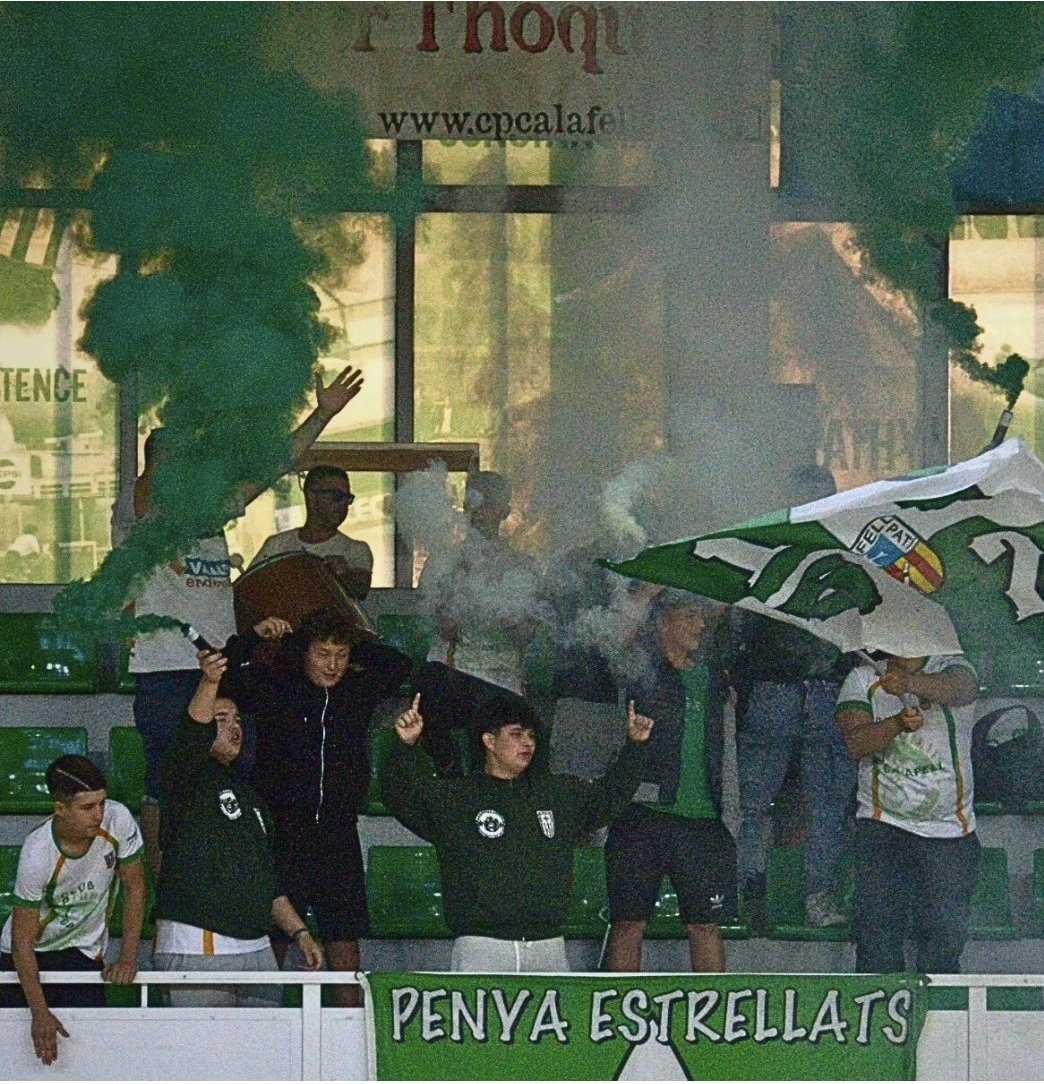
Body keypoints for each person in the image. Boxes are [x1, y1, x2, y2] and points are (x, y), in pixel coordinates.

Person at [126, 365, 364, 876]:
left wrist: (321, 414)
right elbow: (156, 460)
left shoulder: (213, 516)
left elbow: (278, 465)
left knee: (240, 767)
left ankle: (230, 872)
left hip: (226, 666)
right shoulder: (145, 519)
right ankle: (164, 880)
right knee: (166, 780)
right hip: (167, 671)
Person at [382, 692, 652, 973]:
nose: (527, 743)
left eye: (531, 736)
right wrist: (404, 745)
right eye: (516, 734)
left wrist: (635, 747)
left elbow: (609, 799)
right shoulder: (456, 798)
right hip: (480, 947)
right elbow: (400, 796)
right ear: (489, 741)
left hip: (549, 946)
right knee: (479, 1019)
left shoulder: (557, 794)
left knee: (556, 1019)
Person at [223, 607, 411, 1005]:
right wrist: (262, 639)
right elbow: (227, 675)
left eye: (340, 654)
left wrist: (355, 638)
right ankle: (258, 1032)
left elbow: (398, 664)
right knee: (271, 939)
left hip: (338, 835)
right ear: (302, 652)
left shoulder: (356, 691)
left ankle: (348, 1043)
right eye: (322, 652)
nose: (332, 664)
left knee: (344, 943)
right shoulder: (276, 686)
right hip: (282, 834)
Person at [153, 639, 323, 1006]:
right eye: (221, 720)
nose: (234, 727)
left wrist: (300, 933)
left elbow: (267, 879)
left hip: (258, 947)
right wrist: (210, 682)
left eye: (238, 720)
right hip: (201, 944)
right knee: (204, 1058)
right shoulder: (185, 777)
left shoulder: (251, 798)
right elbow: (190, 735)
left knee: (263, 1059)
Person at [732, 462, 854, 930]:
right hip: (788, 688)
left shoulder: (773, 544)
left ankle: (752, 894)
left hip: (807, 689)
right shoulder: (821, 546)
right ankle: (752, 893)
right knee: (767, 802)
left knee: (805, 803)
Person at [603, 591, 737, 974]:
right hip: (642, 814)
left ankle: (713, 1020)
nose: (700, 625)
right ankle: (619, 1017)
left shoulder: (715, 675)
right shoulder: (640, 669)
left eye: (702, 618)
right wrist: (648, 590)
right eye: (690, 617)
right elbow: (614, 642)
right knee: (628, 923)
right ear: (664, 624)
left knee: (706, 924)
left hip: (703, 818)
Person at [837, 651, 981, 973]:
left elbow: (963, 689)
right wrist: (897, 723)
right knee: (877, 939)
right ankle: (880, 1014)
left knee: (944, 940)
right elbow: (854, 742)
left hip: (951, 830)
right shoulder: (862, 678)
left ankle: (942, 1020)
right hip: (883, 825)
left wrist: (909, 683)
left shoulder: (953, 666)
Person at [0, 756, 145, 1066]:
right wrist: (39, 1013)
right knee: (16, 1060)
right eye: (87, 807)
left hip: (82, 952)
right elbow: (21, 941)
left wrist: (128, 958)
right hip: (29, 953)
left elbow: (135, 887)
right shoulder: (37, 852)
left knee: (91, 1059)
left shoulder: (118, 819)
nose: (99, 815)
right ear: (60, 809)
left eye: (102, 803)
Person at [732, 613, 855, 930]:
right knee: (823, 810)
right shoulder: (844, 568)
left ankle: (737, 898)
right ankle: (815, 899)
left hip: (784, 682)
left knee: (752, 806)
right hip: (821, 682)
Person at [419, 470, 539, 696]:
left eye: (489, 503)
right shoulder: (443, 561)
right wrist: (460, 589)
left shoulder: (523, 566)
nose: (479, 511)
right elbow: (443, 627)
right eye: (473, 502)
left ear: (505, 511)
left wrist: (505, 612)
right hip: (450, 672)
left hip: (501, 676)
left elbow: (526, 635)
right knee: (432, 681)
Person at [249, 464, 374, 600]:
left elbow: (361, 589)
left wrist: (343, 574)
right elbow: (248, 588)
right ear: (312, 495)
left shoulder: (355, 549)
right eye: (337, 496)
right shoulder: (276, 545)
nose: (344, 504)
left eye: (347, 498)